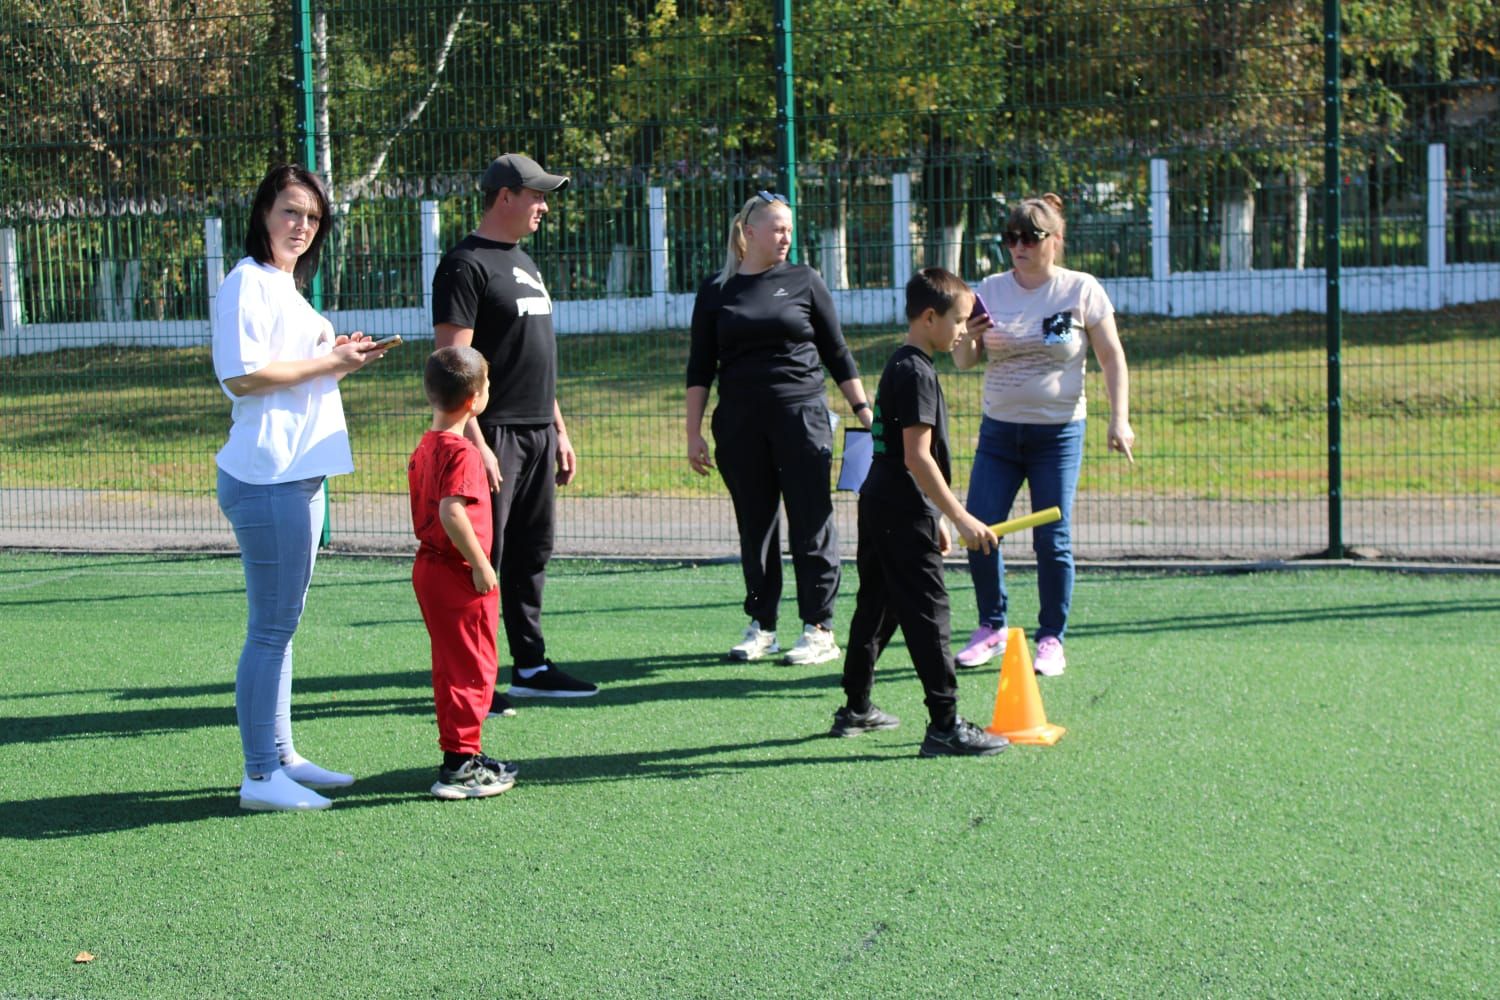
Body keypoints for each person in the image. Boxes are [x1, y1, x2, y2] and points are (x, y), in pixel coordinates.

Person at [212, 164, 391, 811]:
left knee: (280, 629)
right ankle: (260, 776)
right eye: (291, 211)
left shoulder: (287, 287)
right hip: (267, 478)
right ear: (264, 213)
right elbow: (243, 376)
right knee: (269, 630)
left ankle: (281, 754)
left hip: (298, 475)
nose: (301, 226)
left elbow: (297, 373)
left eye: (312, 218)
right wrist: (330, 360)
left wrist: (338, 357)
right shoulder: (246, 283)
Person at [432, 153, 598, 710]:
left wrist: (560, 429)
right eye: (537, 195)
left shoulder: (523, 261)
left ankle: (530, 666)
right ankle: (477, 680)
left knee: (531, 554)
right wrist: (476, 443)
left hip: (536, 433)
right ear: (505, 196)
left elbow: (531, 357)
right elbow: (455, 364)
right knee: (483, 560)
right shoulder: (465, 264)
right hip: (493, 434)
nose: (544, 206)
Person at [686, 191, 874, 666]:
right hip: (739, 425)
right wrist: (693, 433)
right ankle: (762, 625)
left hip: (802, 418)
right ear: (748, 234)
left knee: (812, 523)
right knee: (756, 526)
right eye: (776, 228)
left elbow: (837, 351)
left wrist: (862, 410)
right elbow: (698, 367)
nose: (785, 236)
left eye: (789, 228)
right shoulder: (716, 290)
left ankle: (819, 629)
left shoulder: (804, 280)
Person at [952, 193, 1135, 676]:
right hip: (999, 434)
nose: (1019, 247)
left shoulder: (1081, 288)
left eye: (1030, 237)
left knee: (1051, 540)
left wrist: (1120, 419)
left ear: (1054, 240)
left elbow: (1112, 356)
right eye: (1011, 238)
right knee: (981, 530)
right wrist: (968, 336)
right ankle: (991, 627)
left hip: (1057, 434)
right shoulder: (988, 288)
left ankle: (1051, 638)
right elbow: (965, 362)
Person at [831, 267, 1008, 757]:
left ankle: (856, 708)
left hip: (883, 502)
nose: (962, 331)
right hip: (901, 505)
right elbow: (917, 456)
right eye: (958, 321)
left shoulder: (904, 364)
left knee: (878, 606)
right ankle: (945, 725)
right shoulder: (917, 372)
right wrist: (958, 516)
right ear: (930, 317)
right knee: (929, 612)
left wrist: (933, 515)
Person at [409, 345, 519, 800]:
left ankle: (464, 754)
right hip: (457, 573)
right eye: (487, 385)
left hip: (429, 569)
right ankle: (459, 766)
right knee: (473, 669)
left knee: (450, 667)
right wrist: (480, 565)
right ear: (474, 399)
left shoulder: (425, 445)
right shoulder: (464, 453)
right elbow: (452, 511)